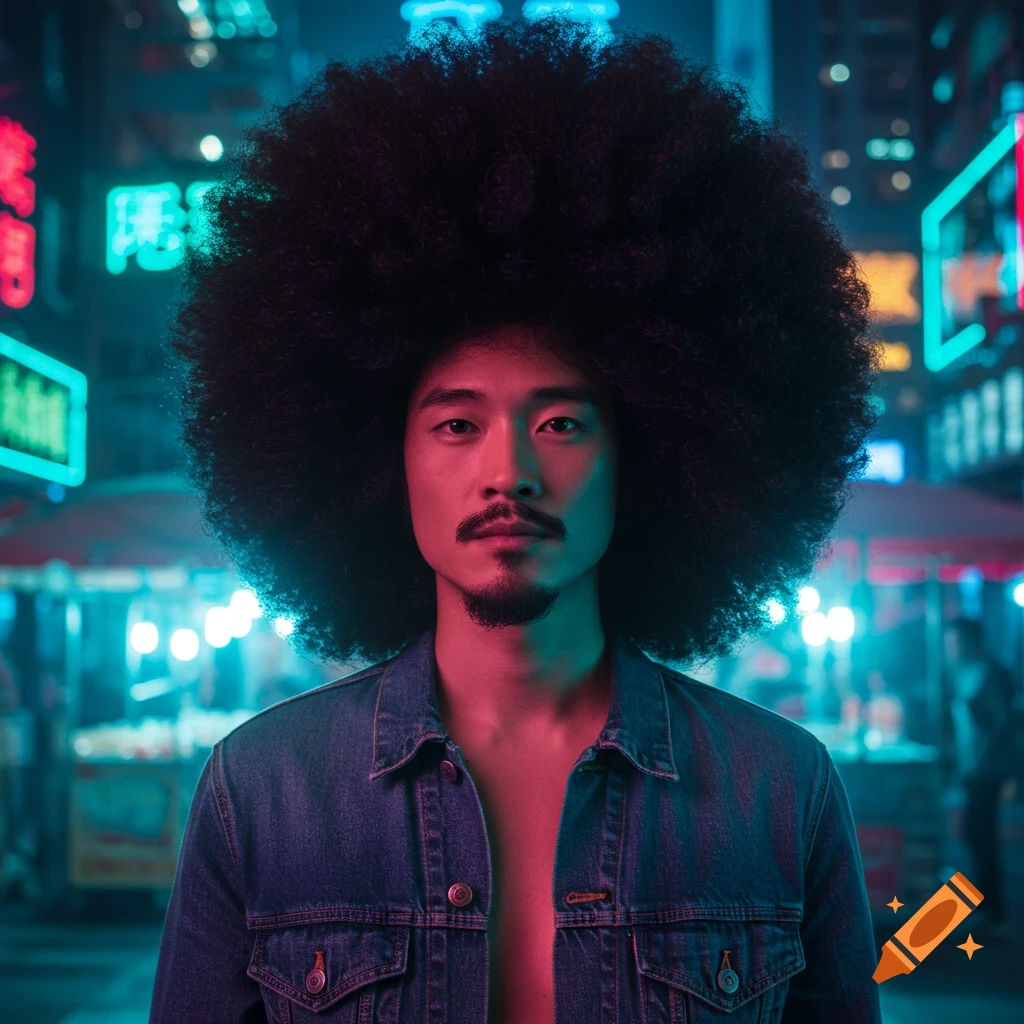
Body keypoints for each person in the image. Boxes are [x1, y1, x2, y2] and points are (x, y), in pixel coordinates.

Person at [151, 15, 884, 1023]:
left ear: (656, 454)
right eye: (456, 423)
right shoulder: (260, 790)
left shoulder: (779, 788)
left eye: (560, 420)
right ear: (380, 459)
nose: (509, 470)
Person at [943, 616, 1018, 941]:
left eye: (955, 641)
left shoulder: (993, 674)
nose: (951, 648)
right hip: (972, 767)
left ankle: (996, 911)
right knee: (975, 834)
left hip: (988, 769)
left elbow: (1002, 725)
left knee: (981, 835)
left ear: (972, 641)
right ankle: (988, 906)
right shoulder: (959, 674)